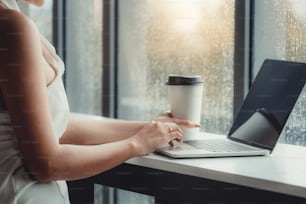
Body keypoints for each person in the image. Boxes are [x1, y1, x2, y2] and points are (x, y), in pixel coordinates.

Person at [0, 0, 200, 203]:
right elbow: (47, 164)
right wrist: (137, 144)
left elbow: (55, 125)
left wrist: (149, 129)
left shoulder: (11, 20)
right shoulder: (12, 27)